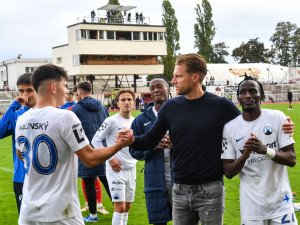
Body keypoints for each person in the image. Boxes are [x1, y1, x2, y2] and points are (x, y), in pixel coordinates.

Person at [117, 53, 295, 225]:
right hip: (179, 190)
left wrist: (284, 125)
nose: (173, 81)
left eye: (178, 76)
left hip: (211, 190)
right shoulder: (170, 107)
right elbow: (149, 140)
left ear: (194, 77)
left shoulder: (221, 106)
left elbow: (247, 123)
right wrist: (131, 139)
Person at [15, 64, 133, 225]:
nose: (68, 92)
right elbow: (90, 158)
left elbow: (21, 155)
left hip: (28, 212)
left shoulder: (21, 119)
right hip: (60, 212)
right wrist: (119, 145)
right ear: (53, 87)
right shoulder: (65, 117)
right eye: (65, 86)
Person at [221, 75, 297, 225]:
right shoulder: (230, 128)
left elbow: (291, 159)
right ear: (238, 97)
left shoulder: (277, 118)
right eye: (243, 92)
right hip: (252, 208)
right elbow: (228, 172)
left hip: (281, 204)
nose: (248, 95)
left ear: (261, 95)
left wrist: (265, 151)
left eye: (252, 91)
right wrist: (244, 156)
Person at [130, 76, 173, 225]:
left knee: (184, 220)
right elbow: (133, 150)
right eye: (152, 88)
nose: (155, 90)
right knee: (158, 221)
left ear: (168, 88)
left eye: (159, 86)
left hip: (181, 179)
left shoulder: (180, 114)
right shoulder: (140, 120)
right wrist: (153, 147)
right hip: (154, 181)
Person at [92, 89, 137, 225]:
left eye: (129, 99)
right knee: (120, 207)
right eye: (123, 100)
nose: (126, 102)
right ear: (117, 103)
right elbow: (95, 140)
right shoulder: (111, 120)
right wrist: (110, 159)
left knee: (127, 207)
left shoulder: (136, 122)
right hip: (115, 170)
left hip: (131, 168)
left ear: (134, 102)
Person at [71, 81, 111, 222]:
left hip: (86, 150)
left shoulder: (76, 110)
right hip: (103, 148)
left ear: (80, 92)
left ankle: (93, 215)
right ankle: (119, 209)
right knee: (107, 180)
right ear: (91, 91)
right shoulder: (102, 107)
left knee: (89, 182)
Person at [0, 72, 37, 214]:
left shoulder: (48, 112)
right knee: (25, 219)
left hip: (45, 177)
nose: (25, 94)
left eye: (29, 90)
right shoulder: (16, 113)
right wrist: (13, 106)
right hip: (21, 176)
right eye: (21, 90)